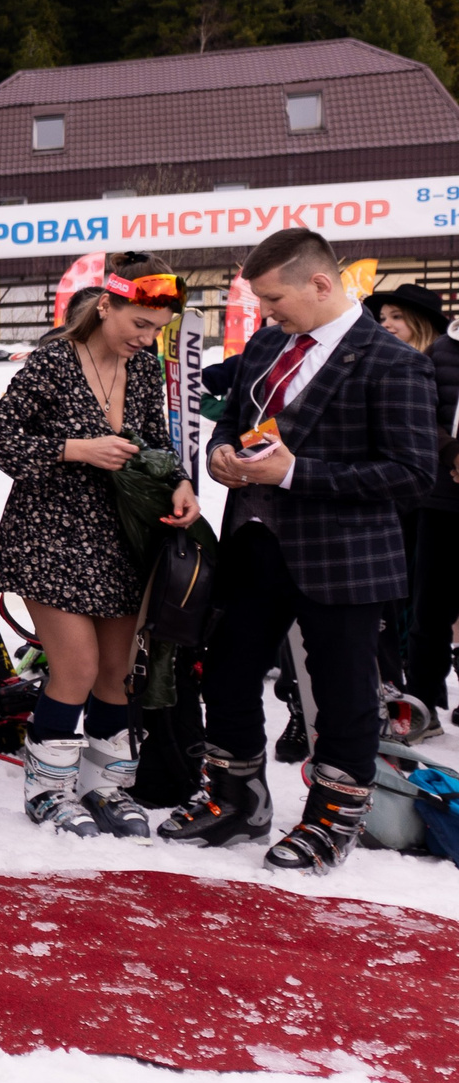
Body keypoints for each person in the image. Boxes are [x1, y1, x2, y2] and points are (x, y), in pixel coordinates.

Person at [167, 230, 436, 873]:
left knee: (343, 694)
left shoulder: (394, 361)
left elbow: (412, 473)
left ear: (320, 283)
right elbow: (233, 417)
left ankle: (332, 818)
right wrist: (222, 455)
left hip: (343, 556)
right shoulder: (266, 343)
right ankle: (236, 796)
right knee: (228, 673)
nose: (265, 313)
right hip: (254, 545)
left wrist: (295, 474)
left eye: (273, 298)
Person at [0, 255, 199, 838]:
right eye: (139, 324)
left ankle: (105, 785)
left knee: (117, 672)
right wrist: (75, 449)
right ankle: (47, 790)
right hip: (50, 535)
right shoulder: (52, 361)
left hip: (122, 537)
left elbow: (157, 443)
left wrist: (179, 482)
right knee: (74, 668)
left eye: (156, 329)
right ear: (107, 305)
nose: (146, 338)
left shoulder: (145, 368)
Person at [365, 283, 459, 728]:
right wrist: (452, 453)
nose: (387, 327)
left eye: (396, 317)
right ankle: (422, 699)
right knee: (429, 605)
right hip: (439, 497)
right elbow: (427, 414)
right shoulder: (441, 353)